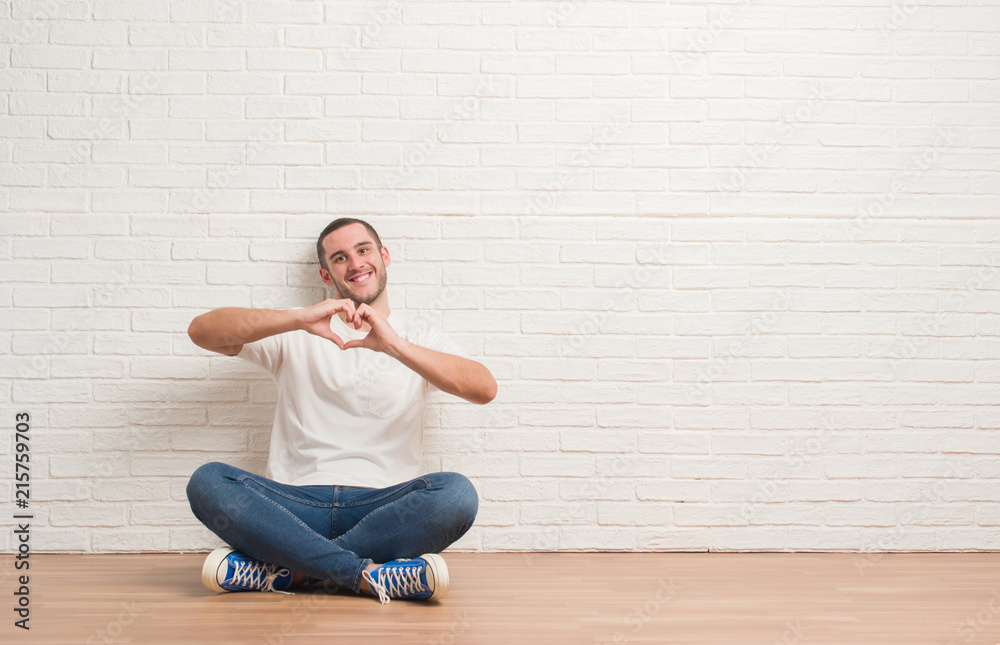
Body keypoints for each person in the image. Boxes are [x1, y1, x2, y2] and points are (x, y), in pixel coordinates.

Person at [184, 218, 497, 604]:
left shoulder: (417, 336)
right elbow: (202, 331)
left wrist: (395, 346)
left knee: (456, 495)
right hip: (293, 508)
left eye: (363, 250)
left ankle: (293, 571)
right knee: (207, 481)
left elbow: (484, 388)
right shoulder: (298, 327)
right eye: (340, 257)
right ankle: (365, 576)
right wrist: (297, 318)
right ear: (326, 273)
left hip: (382, 510)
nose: (355, 263)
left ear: (383, 256)